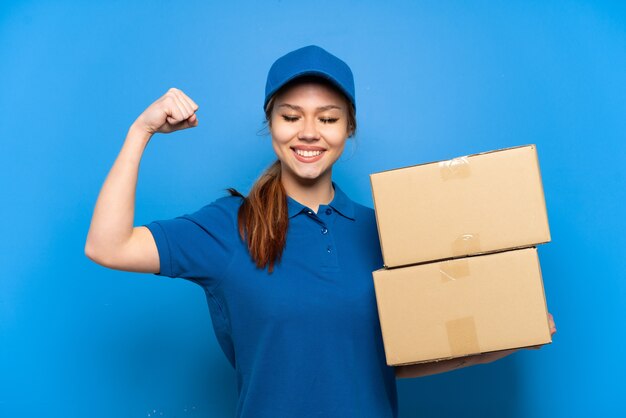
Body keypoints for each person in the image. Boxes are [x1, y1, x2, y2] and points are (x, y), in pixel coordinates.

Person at [85, 45, 556, 417]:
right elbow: (108, 246)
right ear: (269, 123)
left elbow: (394, 359)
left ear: (349, 128)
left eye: (328, 118)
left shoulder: (387, 231)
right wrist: (140, 131)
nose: (308, 132)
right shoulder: (230, 225)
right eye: (291, 116)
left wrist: (501, 338)